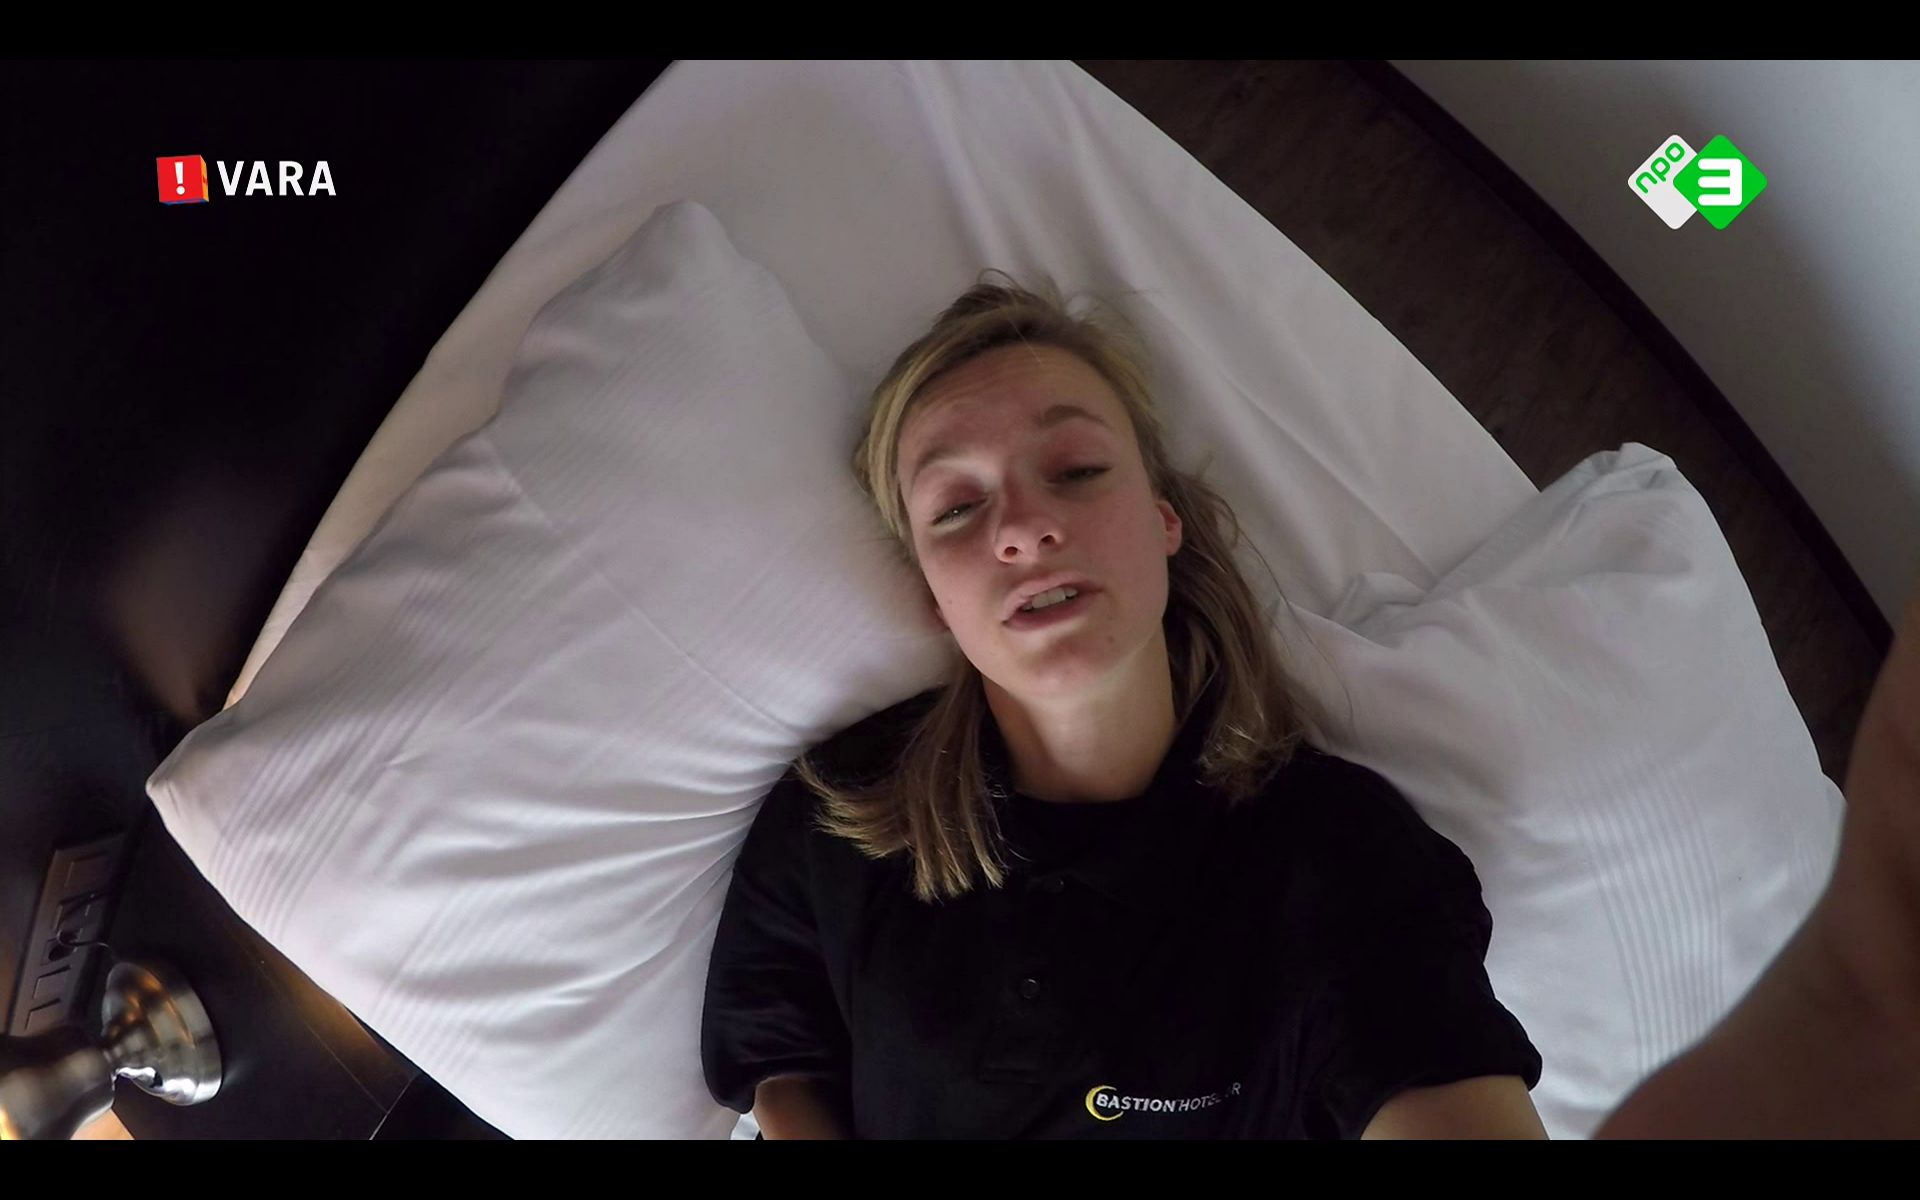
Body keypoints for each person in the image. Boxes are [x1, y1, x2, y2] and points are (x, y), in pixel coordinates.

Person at [701, 271, 1547, 1139]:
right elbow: (783, 1068)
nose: (1021, 529)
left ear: (1164, 519)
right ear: (932, 595)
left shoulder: (1337, 854)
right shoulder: (842, 813)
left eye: (1076, 470)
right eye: (956, 508)